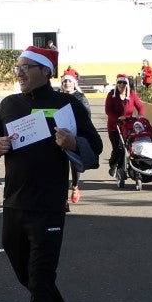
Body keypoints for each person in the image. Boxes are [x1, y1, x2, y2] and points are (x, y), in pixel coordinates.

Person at [0, 46, 102, 302]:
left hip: (48, 207)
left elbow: (95, 149)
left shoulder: (69, 105)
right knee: (29, 277)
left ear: (46, 70)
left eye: (25, 67)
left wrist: (72, 143)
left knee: (39, 281)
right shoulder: (9, 105)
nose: (18, 73)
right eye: (17, 67)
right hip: (13, 205)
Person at [104, 73, 145, 177]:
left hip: (127, 127)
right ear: (116, 84)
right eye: (119, 82)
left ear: (127, 84)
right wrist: (117, 118)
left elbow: (140, 107)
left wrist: (140, 116)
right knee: (117, 149)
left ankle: (120, 170)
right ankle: (113, 164)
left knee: (125, 149)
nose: (121, 84)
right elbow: (108, 110)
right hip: (114, 127)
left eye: (123, 82)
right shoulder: (111, 95)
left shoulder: (131, 94)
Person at [59, 74, 91, 208]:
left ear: (74, 83)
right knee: (61, 166)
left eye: (69, 81)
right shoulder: (57, 96)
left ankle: (76, 186)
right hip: (59, 134)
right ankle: (63, 199)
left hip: (75, 135)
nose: (67, 83)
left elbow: (86, 116)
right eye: (65, 81)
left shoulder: (80, 97)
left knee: (74, 164)